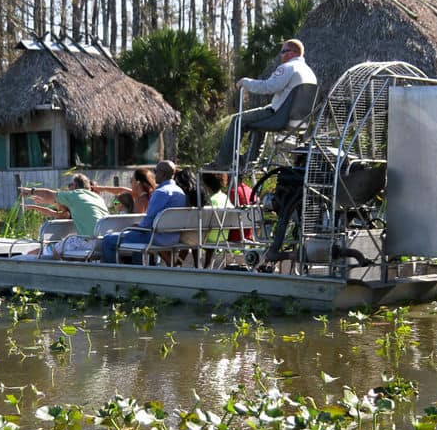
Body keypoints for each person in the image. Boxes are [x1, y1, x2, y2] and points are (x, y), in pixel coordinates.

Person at [211, 38, 317, 169]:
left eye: (283, 51)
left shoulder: (288, 67)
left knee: (238, 120)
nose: (281, 55)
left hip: (279, 116)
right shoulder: (310, 72)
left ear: (292, 53)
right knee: (259, 117)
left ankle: (222, 163)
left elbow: (269, 87)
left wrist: (245, 82)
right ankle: (250, 160)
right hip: (297, 121)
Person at [100, 160, 187, 264]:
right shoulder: (180, 191)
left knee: (107, 240)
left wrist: (135, 226)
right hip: (173, 238)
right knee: (136, 237)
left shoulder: (161, 192)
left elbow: (147, 224)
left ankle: (115, 275)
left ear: (163, 174)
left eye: (156, 171)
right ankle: (137, 271)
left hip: (155, 237)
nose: (154, 174)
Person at [19, 174, 109, 258]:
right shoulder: (97, 197)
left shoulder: (75, 195)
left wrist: (31, 191)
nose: (68, 187)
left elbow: (49, 194)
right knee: (69, 243)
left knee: (56, 249)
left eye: (70, 185)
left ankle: (62, 271)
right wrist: (46, 201)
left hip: (89, 241)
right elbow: (58, 202)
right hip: (104, 240)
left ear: (74, 186)